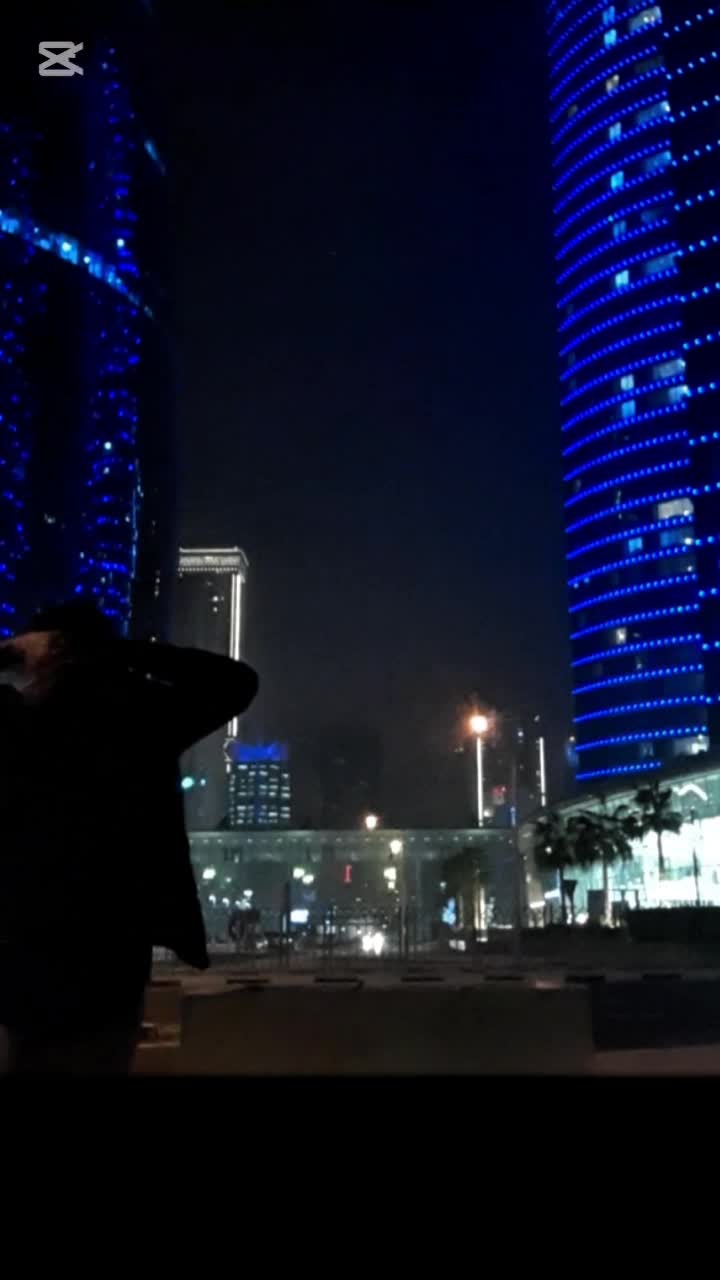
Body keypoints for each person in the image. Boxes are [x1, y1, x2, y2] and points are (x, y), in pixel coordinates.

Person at [0, 600, 258, 1075]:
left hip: (31, 939)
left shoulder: (24, 720)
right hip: (113, 940)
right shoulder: (140, 711)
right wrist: (115, 651)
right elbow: (235, 681)